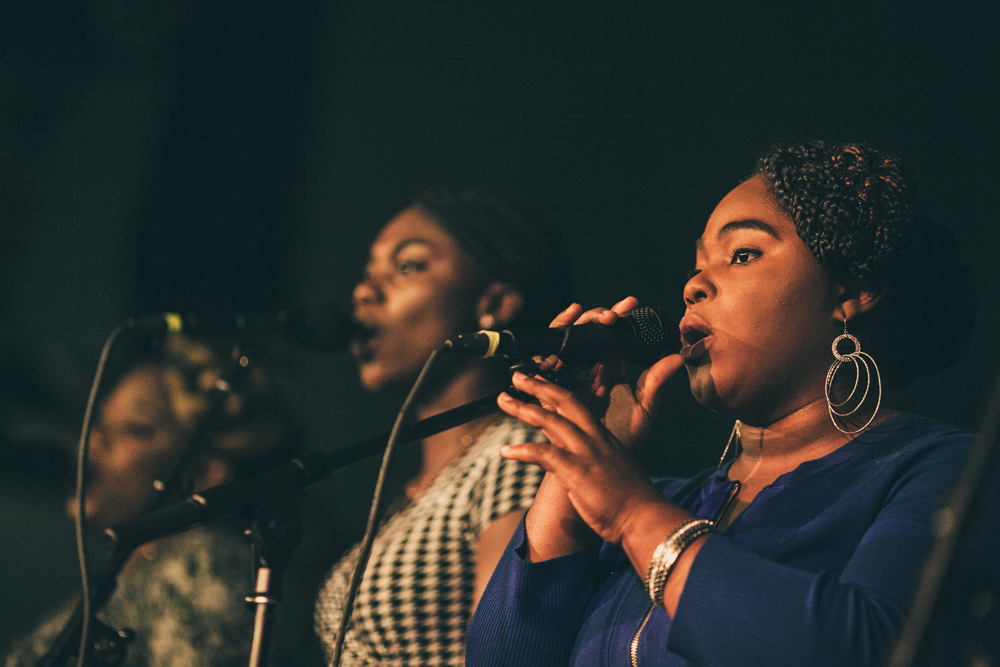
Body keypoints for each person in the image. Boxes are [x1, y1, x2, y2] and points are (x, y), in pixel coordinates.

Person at [466, 140, 980, 666]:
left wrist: (632, 515)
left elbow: (870, 648)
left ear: (850, 288)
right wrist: (578, 461)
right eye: (695, 265)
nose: (693, 285)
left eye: (742, 255)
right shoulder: (675, 499)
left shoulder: (947, 471)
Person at [313, 189, 574, 665]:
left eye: (408, 266)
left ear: (494, 303)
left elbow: (508, 649)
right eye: (368, 273)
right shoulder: (415, 491)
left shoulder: (518, 450)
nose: (364, 291)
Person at [4, 333, 303, 667]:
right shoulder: (137, 575)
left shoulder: (206, 566)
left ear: (203, 474)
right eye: (98, 422)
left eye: (133, 428)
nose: (92, 441)